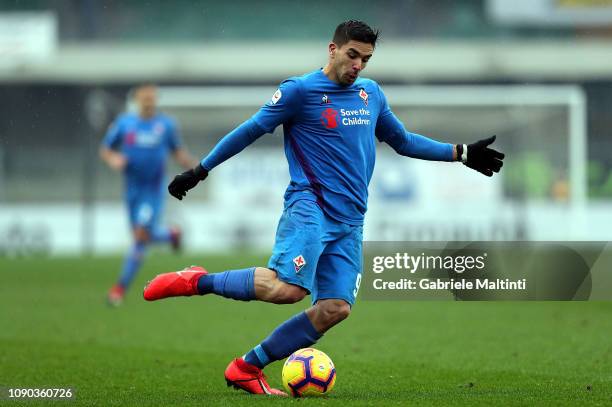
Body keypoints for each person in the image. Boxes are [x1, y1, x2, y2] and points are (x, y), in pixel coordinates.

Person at [143, 20, 504, 395]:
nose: (358, 66)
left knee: (335, 308)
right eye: (352, 55)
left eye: (365, 59)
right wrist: (201, 170)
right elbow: (250, 130)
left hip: (351, 219)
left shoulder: (371, 94)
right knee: (288, 289)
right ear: (333, 50)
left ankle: (246, 367)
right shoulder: (299, 91)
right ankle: (197, 281)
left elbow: (403, 140)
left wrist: (460, 153)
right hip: (310, 206)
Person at [100, 83, 197, 306]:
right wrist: (114, 159)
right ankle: (171, 235)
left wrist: (196, 168)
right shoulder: (124, 124)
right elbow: (106, 149)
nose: (148, 101)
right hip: (132, 189)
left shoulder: (165, 125)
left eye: (152, 97)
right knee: (140, 237)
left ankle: (119, 290)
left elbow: (177, 151)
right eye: (144, 97)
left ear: (156, 100)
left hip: (152, 191)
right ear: (136, 99)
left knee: (141, 236)